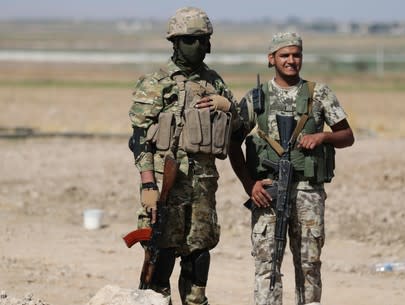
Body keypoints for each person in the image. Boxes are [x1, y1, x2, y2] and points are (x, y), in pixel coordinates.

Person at [228, 32, 354, 305]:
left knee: (309, 264)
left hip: (308, 192)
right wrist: (250, 185)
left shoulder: (318, 94)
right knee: (267, 265)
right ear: (271, 59)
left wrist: (323, 137)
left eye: (296, 55)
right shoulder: (257, 98)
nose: (291, 61)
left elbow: (347, 136)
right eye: (284, 55)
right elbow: (232, 144)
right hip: (269, 193)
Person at [128, 7, 238, 305]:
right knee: (160, 253)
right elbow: (139, 140)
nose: (199, 46)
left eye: (204, 40)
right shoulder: (156, 83)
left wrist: (228, 107)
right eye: (191, 40)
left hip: (201, 186)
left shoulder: (214, 83)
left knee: (199, 252)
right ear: (175, 42)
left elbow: (237, 127)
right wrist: (149, 185)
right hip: (165, 186)